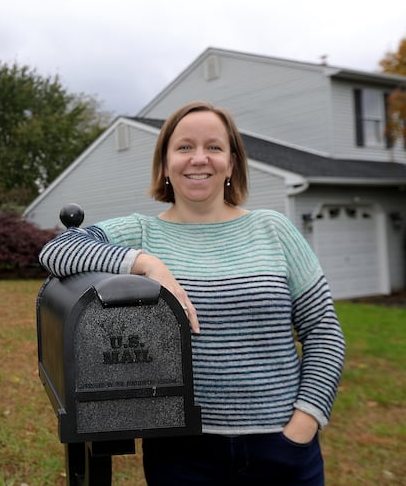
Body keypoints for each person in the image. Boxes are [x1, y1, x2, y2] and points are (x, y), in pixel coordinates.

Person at [38, 100, 346, 485]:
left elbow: (324, 333)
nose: (199, 158)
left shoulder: (274, 230)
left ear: (232, 163)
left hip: (282, 448)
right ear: (165, 163)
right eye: (184, 147)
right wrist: (147, 263)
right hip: (181, 452)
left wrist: (304, 423)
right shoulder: (142, 232)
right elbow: (57, 251)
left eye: (214, 147)